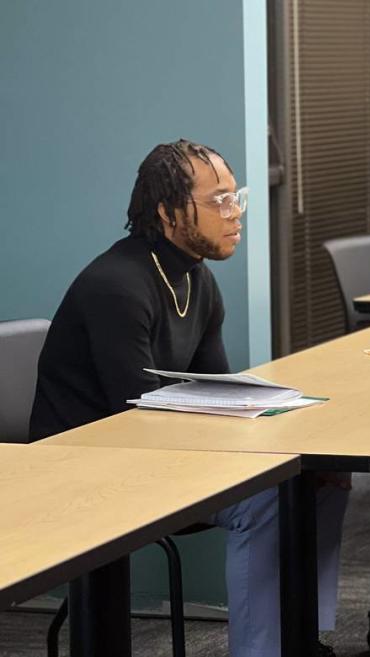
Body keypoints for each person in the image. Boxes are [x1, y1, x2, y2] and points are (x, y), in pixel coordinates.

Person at [30, 139, 347, 657]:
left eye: (235, 197)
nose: (235, 213)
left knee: (322, 477)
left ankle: (298, 634)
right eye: (219, 200)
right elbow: (135, 415)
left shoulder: (197, 280)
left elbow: (215, 392)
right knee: (267, 500)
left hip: (151, 450)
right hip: (87, 467)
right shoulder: (117, 286)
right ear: (168, 211)